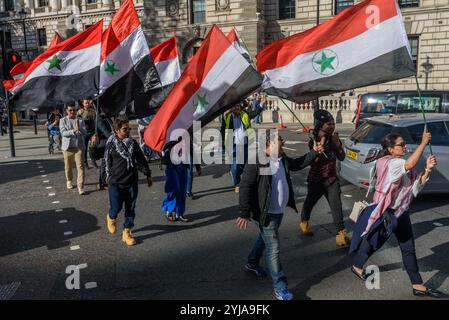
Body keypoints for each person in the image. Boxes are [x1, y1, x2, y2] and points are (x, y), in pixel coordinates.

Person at [349, 130, 442, 298]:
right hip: (386, 214)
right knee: (374, 243)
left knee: (408, 248)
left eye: (405, 144)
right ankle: (357, 265)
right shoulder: (390, 163)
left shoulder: (400, 164)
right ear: (391, 149)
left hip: (401, 212)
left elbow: (414, 188)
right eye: (401, 145)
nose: (405, 146)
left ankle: (417, 285)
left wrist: (427, 169)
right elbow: (410, 165)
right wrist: (423, 143)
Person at [237, 132, 324, 300]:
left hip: (278, 211)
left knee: (265, 239)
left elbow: (298, 164)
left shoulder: (282, 158)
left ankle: (252, 262)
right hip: (265, 213)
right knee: (274, 248)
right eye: (279, 139)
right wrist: (244, 212)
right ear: (268, 144)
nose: (283, 141)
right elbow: (245, 186)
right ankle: (280, 287)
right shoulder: (256, 161)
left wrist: (314, 152)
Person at [299, 109, 350, 247]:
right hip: (316, 180)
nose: (332, 126)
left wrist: (338, 145)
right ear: (321, 124)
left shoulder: (333, 137)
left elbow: (342, 157)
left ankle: (341, 234)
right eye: (329, 123)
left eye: (333, 123)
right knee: (310, 202)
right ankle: (304, 221)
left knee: (336, 206)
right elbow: (315, 157)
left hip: (331, 179)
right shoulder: (313, 139)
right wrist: (322, 144)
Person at [103, 116, 153, 246]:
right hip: (115, 182)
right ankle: (111, 217)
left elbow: (141, 159)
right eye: (125, 129)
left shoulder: (133, 143)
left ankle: (127, 231)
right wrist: (104, 180)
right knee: (116, 207)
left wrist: (148, 174)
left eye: (129, 128)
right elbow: (105, 162)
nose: (128, 131)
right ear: (117, 130)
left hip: (131, 181)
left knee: (130, 208)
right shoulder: (110, 143)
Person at [221, 101, 262, 193]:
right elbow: (222, 129)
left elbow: (254, 113)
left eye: (238, 106)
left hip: (246, 144)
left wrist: (261, 105)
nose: (237, 108)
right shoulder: (227, 116)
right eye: (235, 106)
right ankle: (237, 183)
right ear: (232, 108)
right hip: (233, 145)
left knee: (246, 165)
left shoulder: (245, 114)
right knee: (235, 167)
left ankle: (244, 181)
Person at [161, 137, 200, 222]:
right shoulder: (169, 135)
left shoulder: (186, 134)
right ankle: (169, 210)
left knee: (182, 191)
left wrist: (198, 167)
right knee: (173, 190)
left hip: (182, 167)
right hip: (171, 167)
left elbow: (191, 151)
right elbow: (163, 150)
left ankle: (180, 213)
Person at [60, 103, 87, 195]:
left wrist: (80, 129)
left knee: (80, 167)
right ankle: (69, 180)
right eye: (70, 110)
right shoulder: (62, 120)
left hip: (78, 147)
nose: (72, 112)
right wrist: (73, 131)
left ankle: (80, 187)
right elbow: (63, 133)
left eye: (74, 110)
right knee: (68, 166)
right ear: (67, 111)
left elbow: (84, 132)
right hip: (67, 148)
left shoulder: (80, 120)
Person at [90, 113, 113, 189]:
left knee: (106, 163)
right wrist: (113, 138)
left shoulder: (106, 117)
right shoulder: (99, 118)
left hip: (106, 142)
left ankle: (103, 182)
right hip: (103, 143)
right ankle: (103, 183)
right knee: (105, 163)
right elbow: (104, 130)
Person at [77, 98, 96, 168]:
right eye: (86, 103)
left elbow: (95, 121)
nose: (87, 104)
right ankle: (85, 163)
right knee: (84, 149)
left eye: (88, 103)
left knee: (93, 147)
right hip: (84, 132)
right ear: (83, 104)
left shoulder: (93, 111)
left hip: (92, 132)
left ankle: (93, 161)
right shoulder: (80, 112)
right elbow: (77, 121)